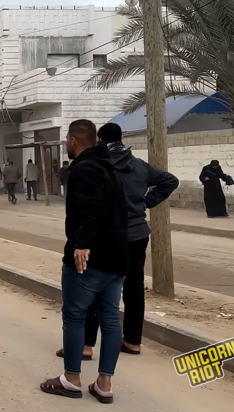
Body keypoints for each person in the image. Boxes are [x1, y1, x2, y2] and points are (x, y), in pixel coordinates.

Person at [56, 123, 178, 361]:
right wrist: (146, 201)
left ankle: (86, 345)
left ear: (99, 140)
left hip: (109, 236)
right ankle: (132, 341)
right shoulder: (138, 165)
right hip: (138, 234)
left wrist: (82, 241)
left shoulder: (99, 165)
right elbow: (170, 181)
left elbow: (92, 207)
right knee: (134, 288)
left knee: (91, 288)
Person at [40, 119, 129, 403]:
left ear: (73, 140)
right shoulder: (109, 167)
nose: (67, 145)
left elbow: (92, 208)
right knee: (110, 318)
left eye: (68, 140)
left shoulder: (83, 168)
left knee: (75, 316)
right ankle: (104, 384)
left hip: (91, 257)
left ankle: (72, 378)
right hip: (117, 256)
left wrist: (82, 244)